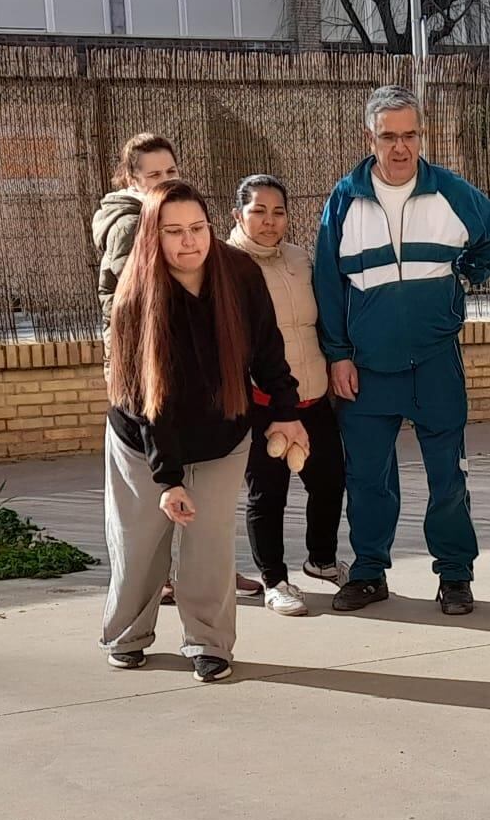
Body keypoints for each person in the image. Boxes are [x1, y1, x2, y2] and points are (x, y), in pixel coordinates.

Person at [99, 180, 306, 681]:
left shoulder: (239, 275)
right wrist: (167, 480)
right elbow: (150, 401)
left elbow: (267, 350)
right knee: (140, 542)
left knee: (209, 544)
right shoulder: (136, 295)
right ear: (153, 235)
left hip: (222, 434)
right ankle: (127, 635)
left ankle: (209, 643)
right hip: (143, 436)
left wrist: (286, 409)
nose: (189, 241)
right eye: (173, 231)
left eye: (197, 228)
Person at [314, 85, 490, 616]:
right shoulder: (344, 199)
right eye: (388, 136)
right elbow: (328, 282)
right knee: (368, 478)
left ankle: (455, 576)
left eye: (410, 135)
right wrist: (338, 355)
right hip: (366, 367)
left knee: (449, 477)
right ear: (368, 137)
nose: (400, 147)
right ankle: (370, 572)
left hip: (436, 362)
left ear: (422, 135)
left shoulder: (449, 190)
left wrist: (470, 272)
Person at [92, 133, 261, 600]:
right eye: (154, 175)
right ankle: (158, 589)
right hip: (147, 372)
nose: (166, 180)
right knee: (152, 509)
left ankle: (200, 582)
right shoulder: (133, 227)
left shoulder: (182, 222)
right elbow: (138, 307)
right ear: (131, 180)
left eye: (172, 171)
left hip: (195, 394)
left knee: (199, 509)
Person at [227, 173, 346, 617]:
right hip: (261, 404)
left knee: (330, 479)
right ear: (238, 214)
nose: (269, 221)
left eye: (278, 212)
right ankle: (274, 579)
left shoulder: (300, 258)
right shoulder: (226, 264)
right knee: (268, 494)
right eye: (258, 211)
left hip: (312, 398)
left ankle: (320, 559)